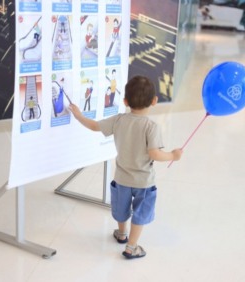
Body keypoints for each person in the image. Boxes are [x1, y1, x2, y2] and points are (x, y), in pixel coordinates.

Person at [68, 76, 183, 259]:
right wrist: (173, 156)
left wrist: (78, 115)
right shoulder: (151, 127)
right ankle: (131, 246)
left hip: (121, 178)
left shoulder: (119, 120)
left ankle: (122, 234)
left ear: (125, 101)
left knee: (121, 209)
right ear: (154, 101)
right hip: (144, 182)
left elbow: (95, 126)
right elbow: (155, 154)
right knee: (140, 213)